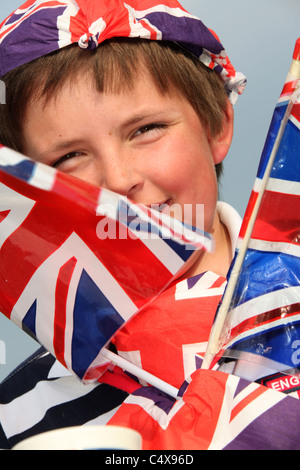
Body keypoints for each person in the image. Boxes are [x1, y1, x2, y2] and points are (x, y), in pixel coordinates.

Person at [0, 0, 300, 451]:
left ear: (217, 124)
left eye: (146, 129)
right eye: (68, 156)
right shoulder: (16, 418)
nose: (120, 180)